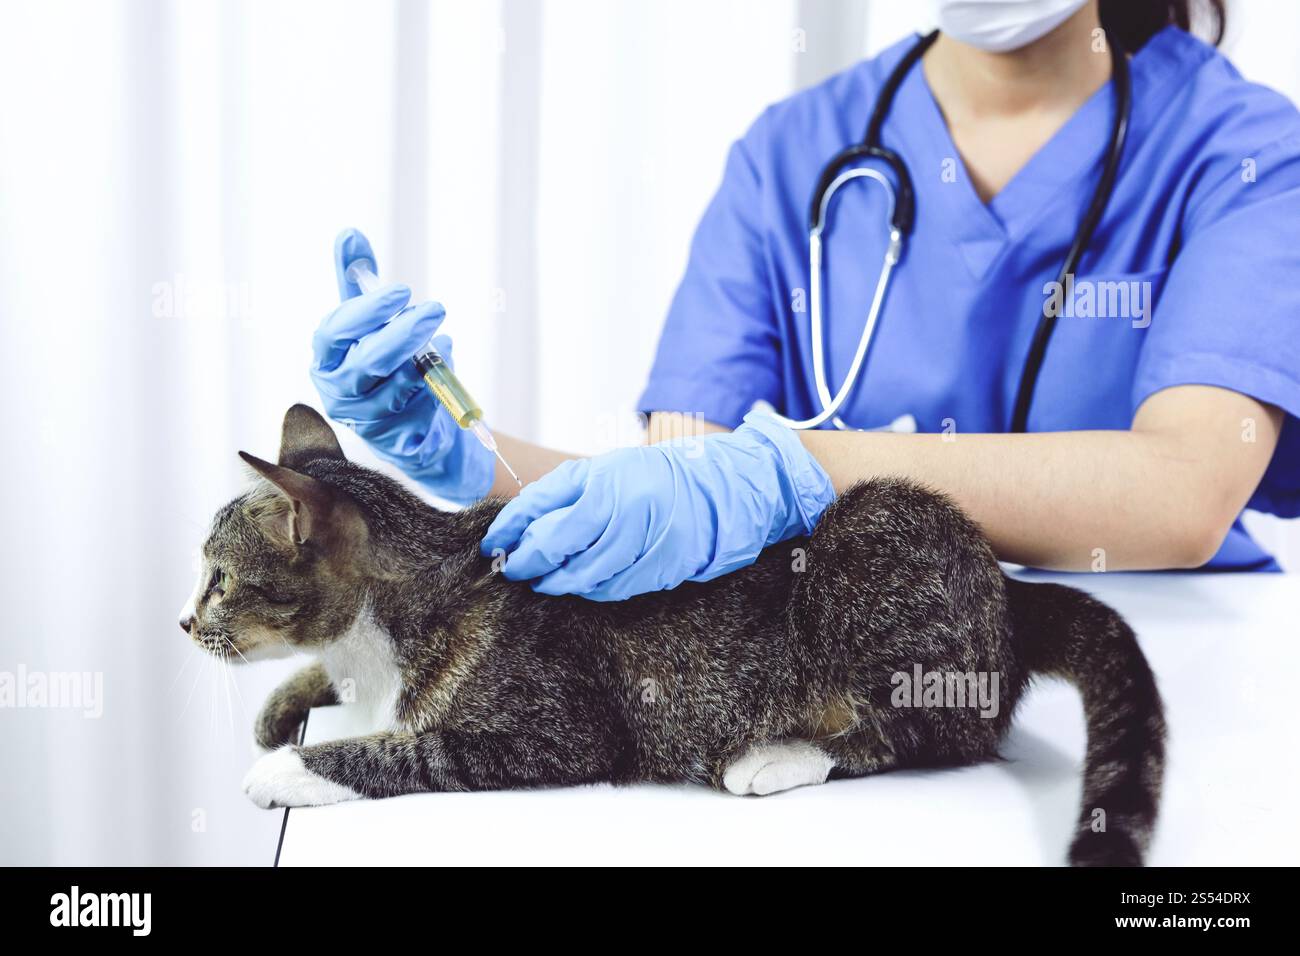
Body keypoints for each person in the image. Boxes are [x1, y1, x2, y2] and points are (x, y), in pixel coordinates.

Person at [311, 0, 1300, 601]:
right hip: (856, 701)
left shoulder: (1239, 149)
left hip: (1162, 681)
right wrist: (473, 458)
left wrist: (804, 468)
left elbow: (1183, 494)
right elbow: (682, 491)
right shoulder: (790, 155)